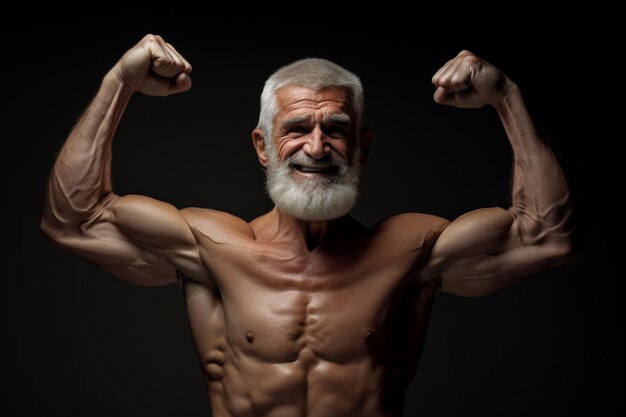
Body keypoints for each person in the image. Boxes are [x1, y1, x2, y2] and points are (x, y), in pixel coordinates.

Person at [41, 34, 577, 417]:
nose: (316, 148)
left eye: (337, 129)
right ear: (263, 145)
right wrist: (118, 83)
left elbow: (548, 235)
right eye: (296, 128)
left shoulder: (409, 249)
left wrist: (507, 96)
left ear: (362, 146)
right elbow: (72, 219)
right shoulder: (210, 245)